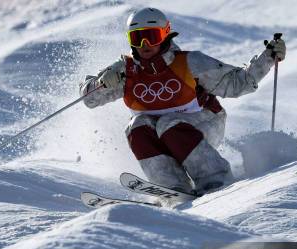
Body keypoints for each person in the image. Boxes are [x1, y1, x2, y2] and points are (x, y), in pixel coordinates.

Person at [80, 7, 286, 195]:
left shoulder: (189, 62)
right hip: (162, 133)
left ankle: (215, 179)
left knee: (168, 122)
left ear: (165, 34)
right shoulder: (125, 70)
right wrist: (101, 83)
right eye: (137, 38)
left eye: (152, 37)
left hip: (205, 123)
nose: (144, 45)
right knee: (137, 126)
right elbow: (89, 100)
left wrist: (268, 58)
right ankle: (173, 186)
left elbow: (239, 83)